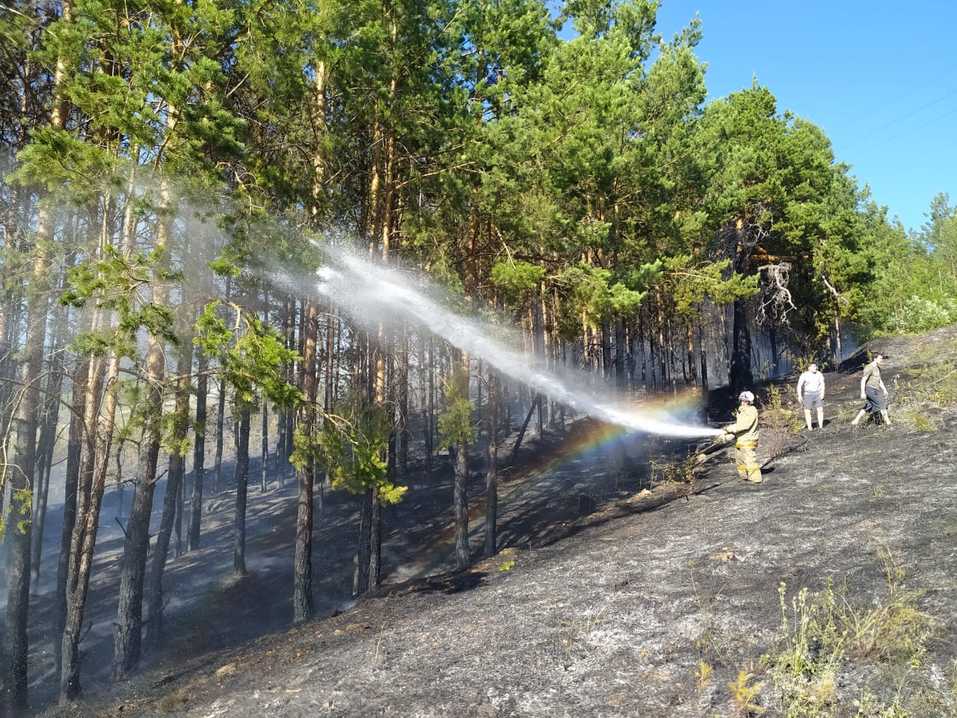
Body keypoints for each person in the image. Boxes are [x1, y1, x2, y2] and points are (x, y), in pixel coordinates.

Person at [723, 391, 762, 483]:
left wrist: (729, 428)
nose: (743, 402)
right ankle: (744, 477)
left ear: (750, 402)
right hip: (740, 439)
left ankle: (756, 480)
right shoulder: (741, 411)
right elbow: (739, 424)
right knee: (740, 461)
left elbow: (744, 425)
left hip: (748, 440)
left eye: (745, 401)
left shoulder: (751, 410)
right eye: (742, 400)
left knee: (750, 461)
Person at [851, 353, 891, 427]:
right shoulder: (869, 367)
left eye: (881, 358)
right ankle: (888, 422)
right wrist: (862, 392)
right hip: (870, 389)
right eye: (880, 358)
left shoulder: (877, 368)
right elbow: (863, 380)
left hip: (876, 389)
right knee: (881, 403)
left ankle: (856, 420)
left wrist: (884, 389)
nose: (881, 360)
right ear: (875, 359)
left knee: (869, 406)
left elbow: (879, 380)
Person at [796, 362, 825, 430]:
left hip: (818, 394)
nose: (816, 368)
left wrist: (822, 393)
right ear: (809, 368)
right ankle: (809, 426)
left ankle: (821, 426)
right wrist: (799, 395)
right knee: (807, 411)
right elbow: (799, 385)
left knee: (820, 409)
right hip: (808, 394)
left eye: (816, 366)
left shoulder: (819, 374)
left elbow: (822, 384)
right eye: (814, 367)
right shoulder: (804, 375)